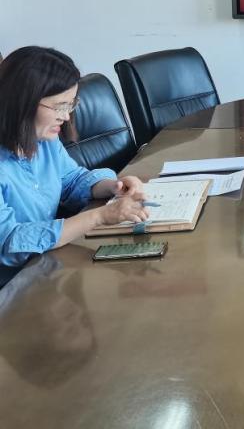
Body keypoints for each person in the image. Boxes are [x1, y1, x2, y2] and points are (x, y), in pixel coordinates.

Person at [0, 47, 149, 286]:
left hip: (46, 268)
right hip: (11, 288)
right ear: (22, 102)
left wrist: (114, 186)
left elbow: (71, 180)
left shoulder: (44, 141)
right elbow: (9, 242)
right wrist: (99, 216)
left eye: (70, 105)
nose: (66, 117)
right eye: (59, 106)